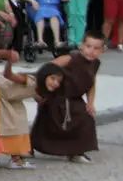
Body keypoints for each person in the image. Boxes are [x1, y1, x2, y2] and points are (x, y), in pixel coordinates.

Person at [30, 32, 105, 163]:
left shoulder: (95, 64)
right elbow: (47, 69)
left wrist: (90, 103)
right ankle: (28, 147)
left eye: (96, 48)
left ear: (102, 50)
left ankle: (76, 152)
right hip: (57, 97)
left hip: (74, 99)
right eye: (88, 46)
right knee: (46, 126)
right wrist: (41, 91)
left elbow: (92, 83)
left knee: (86, 119)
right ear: (82, 46)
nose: (91, 51)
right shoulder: (70, 59)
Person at [0, 60, 37, 169]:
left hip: (0, 92)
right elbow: (8, 75)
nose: (55, 83)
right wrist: (9, 60)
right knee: (5, 125)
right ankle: (12, 158)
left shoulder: (35, 83)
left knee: (5, 125)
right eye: (53, 79)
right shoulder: (30, 80)